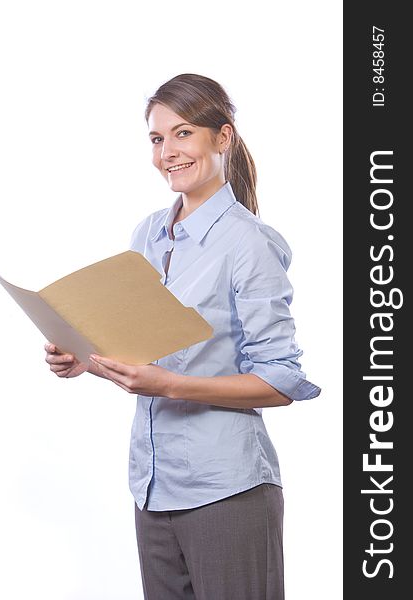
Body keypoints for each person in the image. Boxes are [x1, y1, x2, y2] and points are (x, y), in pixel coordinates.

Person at [44, 73, 321, 600]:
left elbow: (282, 380)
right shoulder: (149, 233)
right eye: (156, 138)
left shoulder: (249, 243)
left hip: (227, 490)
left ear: (223, 138)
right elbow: (142, 353)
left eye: (183, 133)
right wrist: (86, 358)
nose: (167, 152)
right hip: (152, 486)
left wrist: (172, 385)